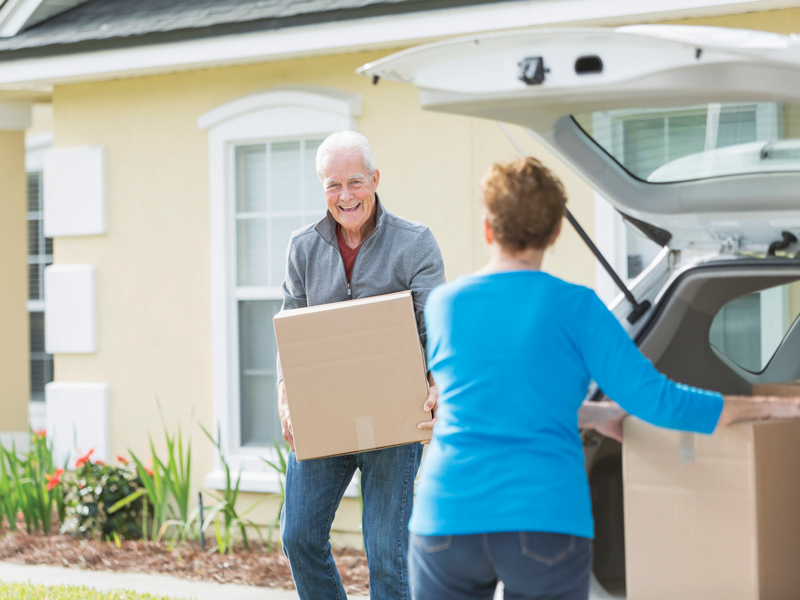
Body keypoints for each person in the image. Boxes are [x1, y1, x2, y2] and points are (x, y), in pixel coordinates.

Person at [408, 157, 800, 600]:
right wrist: (778, 405)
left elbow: (496, 400)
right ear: (555, 233)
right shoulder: (576, 306)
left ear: (487, 228)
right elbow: (658, 401)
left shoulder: (442, 305)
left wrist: (593, 414)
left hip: (447, 519)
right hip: (543, 519)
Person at [276, 131, 445, 600]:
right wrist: (286, 398)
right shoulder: (302, 248)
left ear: (375, 179)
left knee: (386, 554)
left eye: (355, 182)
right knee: (299, 537)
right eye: (333, 185)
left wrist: (437, 382)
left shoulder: (414, 243)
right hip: (325, 414)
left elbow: (437, 330)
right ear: (322, 188)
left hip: (394, 417)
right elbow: (289, 333)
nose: (345, 196)